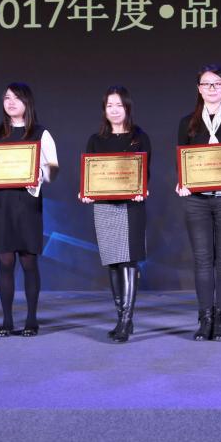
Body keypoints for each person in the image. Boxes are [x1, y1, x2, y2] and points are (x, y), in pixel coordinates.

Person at [175, 64, 221, 341]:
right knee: (203, 260)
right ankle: (204, 318)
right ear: (199, 89)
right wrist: (182, 182)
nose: (212, 88)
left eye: (217, 84)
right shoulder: (187, 122)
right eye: (207, 84)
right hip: (197, 201)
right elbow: (182, 159)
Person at [0, 83, 59, 337]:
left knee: (28, 262)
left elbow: (53, 169)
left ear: (27, 102)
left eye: (16, 98)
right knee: (4, 263)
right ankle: (6, 321)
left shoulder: (40, 133)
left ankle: (31, 319)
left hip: (26, 204)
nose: (11, 102)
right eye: (6, 98)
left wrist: (39, 176)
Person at [79, 86, 151, 343]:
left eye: (119, 105)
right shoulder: (95, 140)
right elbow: (90, 174)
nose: (114, 110)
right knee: (113, 261)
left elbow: (145, 172)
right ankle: (121, 317)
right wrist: (86, 192)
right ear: (104, 109)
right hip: (104, 207)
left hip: (131, 206)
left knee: (128, 261)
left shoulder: (139, 137)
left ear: (127, 107)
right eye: (109, 105)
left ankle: (126, 320)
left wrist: (142, 189)